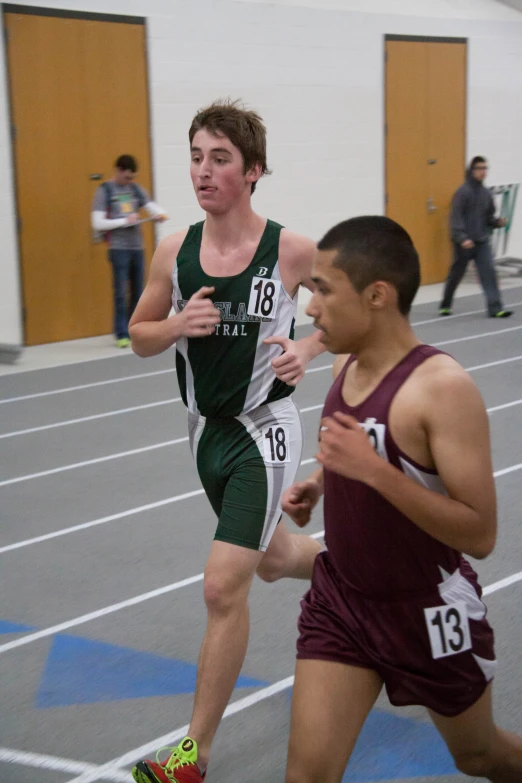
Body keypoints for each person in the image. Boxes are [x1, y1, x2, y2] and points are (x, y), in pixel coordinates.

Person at [282, 215, 522, 783]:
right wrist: (320, 484)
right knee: (306, 777)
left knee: (480, 756)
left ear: (377, 295)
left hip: (428, 609)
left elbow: (480, 535)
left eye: (323, 289)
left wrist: (375, 473)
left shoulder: (441, 389)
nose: (310, 307)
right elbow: (350, 452)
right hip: (343, 599)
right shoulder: (346, 364)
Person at [128, 99, 325, 783]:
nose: (203, 172)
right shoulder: (174, 249)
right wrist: (178, 325)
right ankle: (360, 568)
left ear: (253, 171)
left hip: (264, 431)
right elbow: (137, 336)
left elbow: (350, 306)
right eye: (195, 156)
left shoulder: (290, 249)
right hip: (204, 433)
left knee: (221, 587)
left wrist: (311, 345)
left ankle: (193, 755)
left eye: (219, 159)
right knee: (270, 559)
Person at [91, 154, 168, 348]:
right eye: (126, 177)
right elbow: (97, 222)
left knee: (138, 291)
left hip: (137, 248)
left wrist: (158, 214)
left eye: (132, 177)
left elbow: (151, 206)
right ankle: (121, 333)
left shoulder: (135, 189)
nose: (129, 181)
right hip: (119, 249)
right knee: (120, 292)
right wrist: (124, 221)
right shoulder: (105, 191)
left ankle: (135, 329)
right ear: (118, 170)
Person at [439, 156, 512, 319]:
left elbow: (488, 218)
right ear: (472, 171)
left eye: (485, 168)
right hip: (464, 243)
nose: (483, 172)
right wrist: (461, 238)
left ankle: (495, 308)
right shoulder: (462, 192)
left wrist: (497, 222)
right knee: (456, 275)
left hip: (481, 241)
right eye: (479, 168)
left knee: (489, 272)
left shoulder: (486, 194)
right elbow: (455, 217)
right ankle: (445, 304)